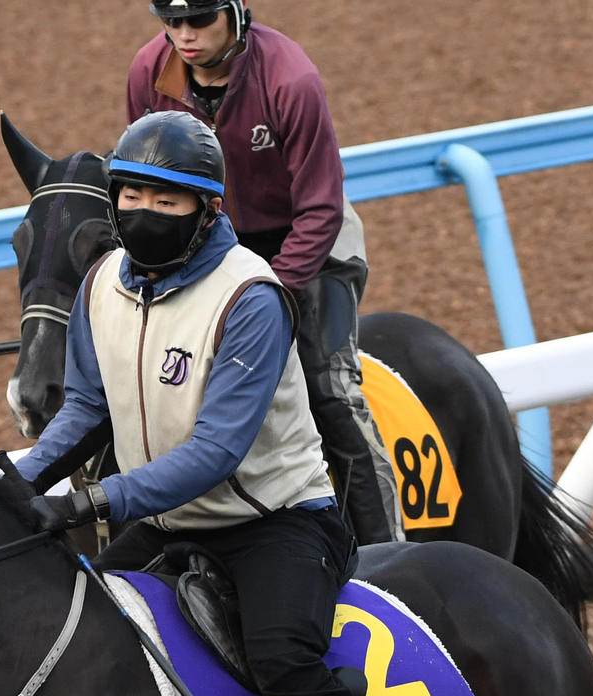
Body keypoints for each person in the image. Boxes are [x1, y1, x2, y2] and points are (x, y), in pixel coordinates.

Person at [14, 112, 417, 696]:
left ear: (206, 209)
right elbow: (85, 408)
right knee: (72, 641)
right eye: (128, 194)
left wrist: (96, 498)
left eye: (164, 200)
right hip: (167, 524)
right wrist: (19, 479)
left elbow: (216, 451)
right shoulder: (101, 287)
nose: (139, 211)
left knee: (285, 662)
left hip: (277, 522)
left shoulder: (252, 297)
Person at [126, 2, 403, 549]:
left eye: (199, 21)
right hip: (211, 243)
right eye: (171, 22)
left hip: (308, 241)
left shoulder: (291, 78)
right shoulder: (145, 72)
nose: (184, 36)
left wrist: (268, 299)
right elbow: (147, 183)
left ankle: (388, 549)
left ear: (234, 12)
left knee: (327, 389)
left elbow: (321, 208)